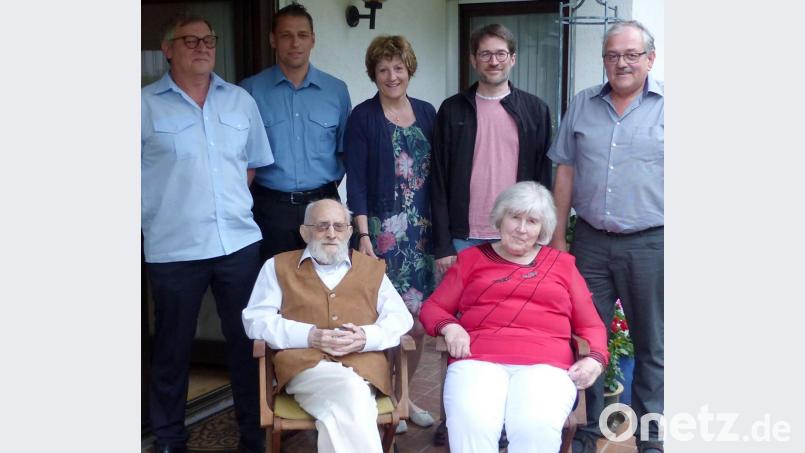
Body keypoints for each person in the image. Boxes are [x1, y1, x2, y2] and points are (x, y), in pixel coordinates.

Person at [141, 15, 274, 453]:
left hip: (237, 244)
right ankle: (169, 439)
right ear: (169, 49)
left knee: (245, 344)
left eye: (208, 40)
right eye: (190, 40)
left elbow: (251, 166)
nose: (202, 47)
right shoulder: (142, 105)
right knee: (172, 350)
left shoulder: (239, 101)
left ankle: (253, 433)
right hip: (174, 248)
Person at [419, 181, 608, 453]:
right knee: (474, 421)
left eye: (531, 221)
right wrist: (450, 327)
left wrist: (595, 359)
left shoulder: (562, 265)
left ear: (542, 229)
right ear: (500, 217)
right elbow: (433, 308)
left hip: (547, 365)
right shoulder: (472, 260)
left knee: (535, 424)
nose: (521, 228)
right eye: (515, 217)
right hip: (478, 360)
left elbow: (591, 324)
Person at [547, 20, 664, 453]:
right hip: (590, 241)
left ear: (650, 59)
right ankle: (589, 432)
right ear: (604, 61)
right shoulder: (582, 104)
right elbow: (565, 171)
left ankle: (651, 441)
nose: (622, 63)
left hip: (651, 243)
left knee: (652, 346)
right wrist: (558, 238)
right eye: (613, 55)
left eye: (632, 54)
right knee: (587, 339)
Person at [242, 199, 414, 453]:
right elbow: (255, 321)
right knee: (353, 394)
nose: (331, 233)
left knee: (343, 406)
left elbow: (400, 318)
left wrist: (366, 337)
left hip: (364, 369)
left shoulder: (372, 269)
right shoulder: (277, 267)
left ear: (349, 231)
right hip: (306, 369)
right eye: (322, 226)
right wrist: (308, 336)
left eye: (338, 226)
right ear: (305, 231)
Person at [344, 35, 437, 434]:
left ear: (409, 69)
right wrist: (362, 235)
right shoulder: (363, 118)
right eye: (383, 69)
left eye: (398, 67)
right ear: (373, 74)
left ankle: (403, 395)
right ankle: (381, 393)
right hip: (381, 234)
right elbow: (358, 182)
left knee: (417, 324)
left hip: (422, 234)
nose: (391, 75)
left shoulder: (428, 113)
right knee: (382, 321)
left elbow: (441, 176)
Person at [430, 23, 553, 278]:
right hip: (463, 237)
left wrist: (540, 235)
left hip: (517, 235)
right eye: (485, 54)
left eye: (500, 54)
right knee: (462, 313)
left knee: (511, 313)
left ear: (513, 59)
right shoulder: (452, 110)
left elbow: (543, 179)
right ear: (474, 60)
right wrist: (442, 243)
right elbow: (438, 180)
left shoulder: (535, 110)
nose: (493, 61)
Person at [239, 2, 351, 263]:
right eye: (286, 35)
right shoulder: (250, 91)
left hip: (324, 205)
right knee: (276, 283)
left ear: (313, 40)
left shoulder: (336, 91)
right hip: (270, 209)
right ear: (272, 40)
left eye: (302, 35)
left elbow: (345, 151)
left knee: (327, 282)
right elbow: (240, 158)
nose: (295, 43)